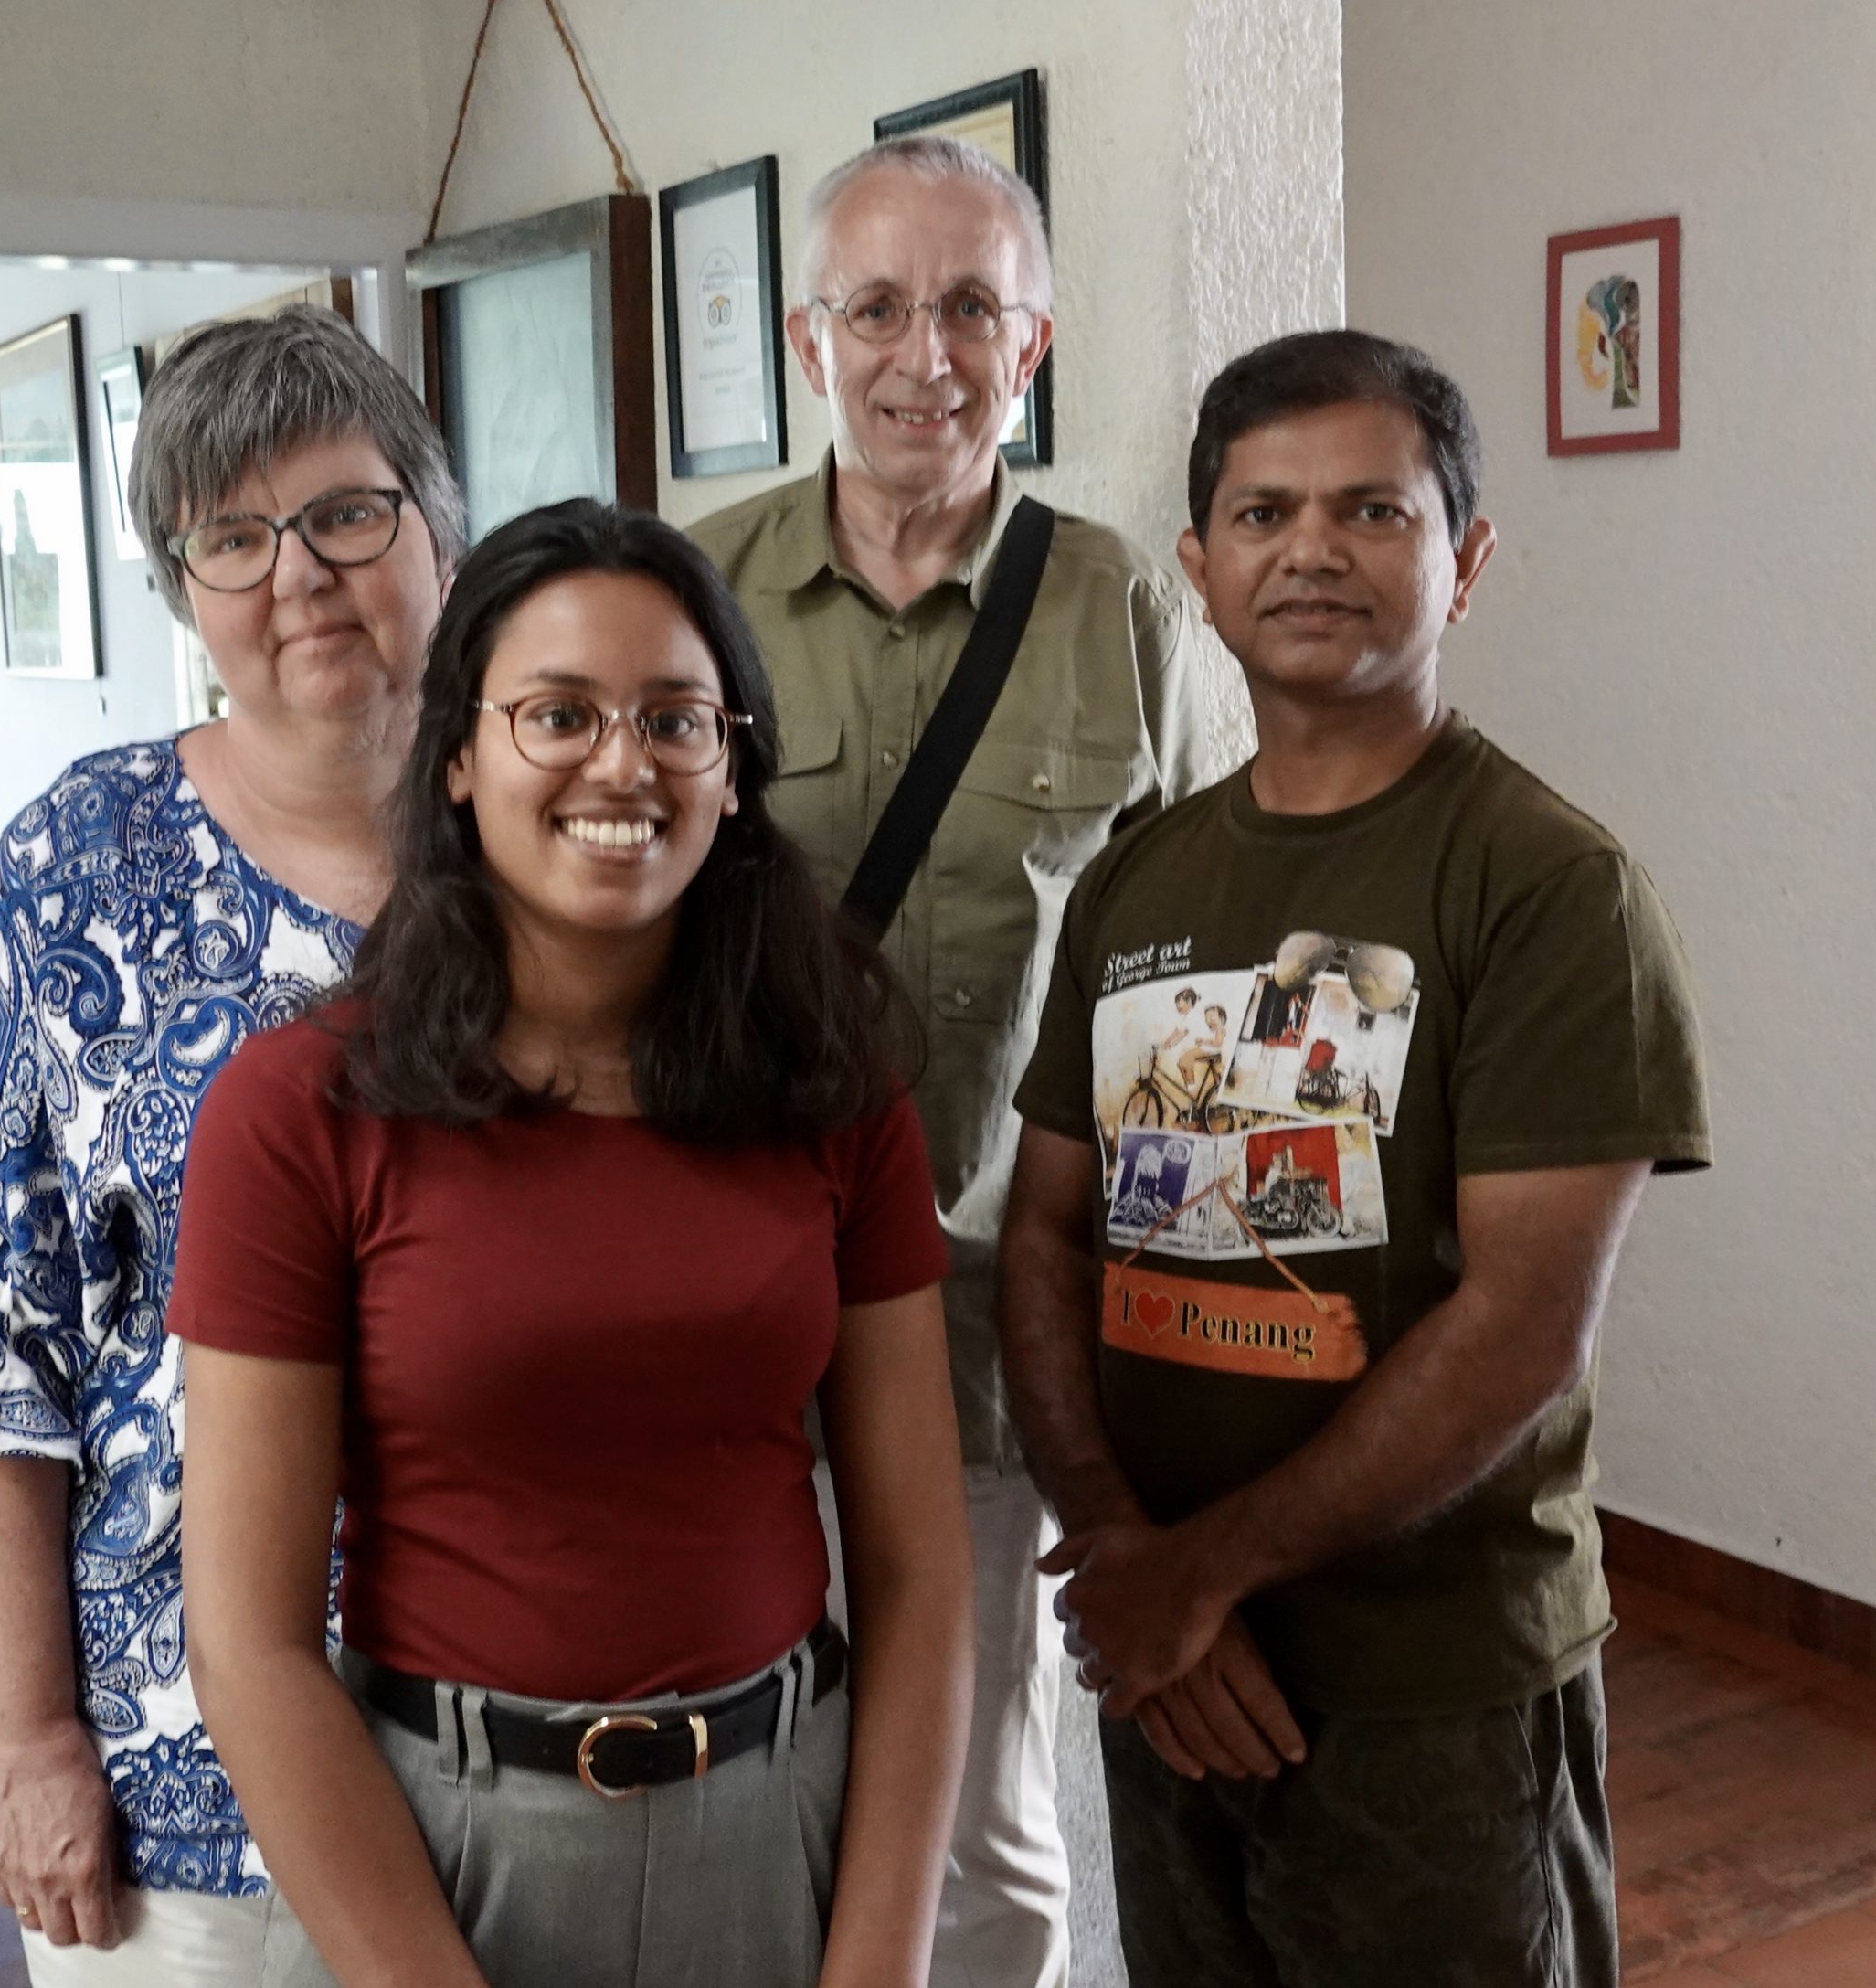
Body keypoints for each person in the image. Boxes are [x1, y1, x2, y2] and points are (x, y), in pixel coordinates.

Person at [164, 502, 976, 1988]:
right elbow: (249, 1646)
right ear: (459, 758)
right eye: (558, 715)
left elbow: (921, 1577)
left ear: (733, 770)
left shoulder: (831, 1085)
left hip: (775, 1835)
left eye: (676, 720)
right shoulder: (297, 1113)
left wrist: (881, 1965)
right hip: (440, 1862)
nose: (623, 764)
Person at [999, 329, 1712, 1986]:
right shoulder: (1135, 880)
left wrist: (1196, 1574)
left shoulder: (1548, 886)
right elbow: (1045, 1237)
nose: (1311, 550)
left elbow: (1523, 1328)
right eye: (1264, 513)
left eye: (1373, 511)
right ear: (1199, 568)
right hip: (1174, 1666)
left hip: (1431, 1699)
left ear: (1465, 561)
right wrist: (1123, 1551)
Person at [0, 303, 463, 1983]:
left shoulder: (567, 836)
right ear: (185, 591)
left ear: (435, 525)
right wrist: (21, 1738)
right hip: (185, 1798)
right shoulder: (73, 879)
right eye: (232, 539)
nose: (298, 575)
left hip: (535, 1757)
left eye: (345, 514)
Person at [690, 133, 1205, 1986]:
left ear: (1032, 341)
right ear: (806, 341)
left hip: (992, 1325)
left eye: (972, 308)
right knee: (752, 1782)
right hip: (724, 1318)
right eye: (879, 308)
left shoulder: (1120, 608)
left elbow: (1182, 979)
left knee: (980, 1817)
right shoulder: (693, 591)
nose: (927, 355)